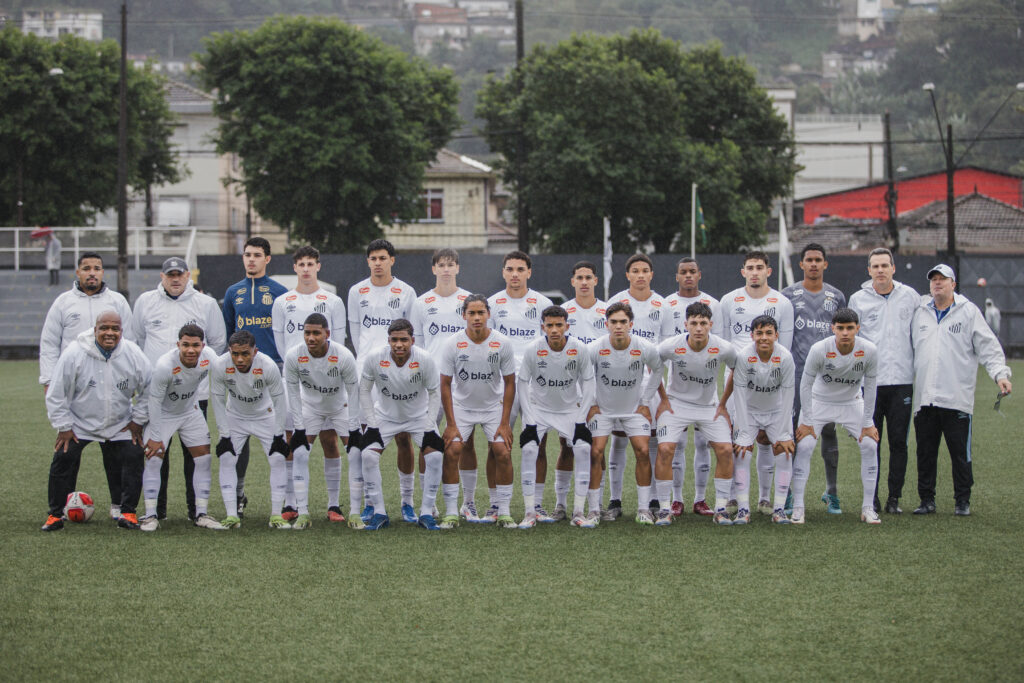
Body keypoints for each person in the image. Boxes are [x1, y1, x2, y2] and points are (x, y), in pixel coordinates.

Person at [910, 264, 1012, 517]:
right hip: (925, 399)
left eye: (942, 280)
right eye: (933, 279)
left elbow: (988, 346)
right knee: (925, 453)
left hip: (956, 397)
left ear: (953, 284)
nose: (937, 283)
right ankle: (927, 500)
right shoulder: (920, 312)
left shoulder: (968, 313)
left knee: (959, 454)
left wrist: (1001, 374)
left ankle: (962, 501)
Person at [39, 251, 134, 520]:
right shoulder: (63, 303)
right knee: (68, 449)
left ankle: (118, 506)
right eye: (86, 268)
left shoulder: (117, 301)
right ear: (77, 273)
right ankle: (65, 505)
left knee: (114, 451)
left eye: (97, 268)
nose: (92, 272)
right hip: (74, 389)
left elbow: (131, 342)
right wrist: (48, 380)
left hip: (111, 386)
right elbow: (49, 344)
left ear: (104, 273)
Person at [132, 256, 226, 521]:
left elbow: (217, 343)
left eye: (179, 274)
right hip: (156, 394)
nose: (175, 279)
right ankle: (156, 513)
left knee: (195, 454)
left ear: (188, 276)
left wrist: (193, 371)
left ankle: (196, 511)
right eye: (169, 275)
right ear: (162, 277)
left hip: (194, 395)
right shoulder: (145, 301)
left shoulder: (205, 303)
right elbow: (136, 340)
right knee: (156, 451)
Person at [41, 311, 150, 531]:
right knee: (63, 457)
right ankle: (55, 515)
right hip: (79, 423)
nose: (110, 333)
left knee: (134, 454)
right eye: (104, 328)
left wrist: (138, 420)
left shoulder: (133, 353)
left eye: (115, 329)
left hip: (120, 422)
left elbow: (150, 388)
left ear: (121, 331)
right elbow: (56, 392)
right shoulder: (74, 353)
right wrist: (63, 426)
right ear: (95, 330)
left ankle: (127, 512)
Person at [347, 239, 418, 521]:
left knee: (403, 436)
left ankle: (407, 501)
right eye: (373, 258)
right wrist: (367, 357)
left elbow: (412, 333)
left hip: (399, 370)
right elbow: (355, 332)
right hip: (367, 369)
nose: (378, 262)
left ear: (392, 260)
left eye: (383, 258)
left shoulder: (406, 291)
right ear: (368, 261)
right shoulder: (356, 291)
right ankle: (370, 501)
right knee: (368, 435)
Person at [720, 251, 794, 514]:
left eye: (759, 267)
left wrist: (768, 369)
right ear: (743, 272)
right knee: (736, 439)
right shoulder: (729, 300)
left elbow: (785, 343)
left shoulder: (782, 302)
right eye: (750, 267)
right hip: (738, 377)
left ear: (768, 271)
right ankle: (733, 497)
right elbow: (726, 343)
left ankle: (764, 498)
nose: (754, 272)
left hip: (770, 376)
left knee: (766, 440)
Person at [481, 251, 553, 521]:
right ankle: (495, 504)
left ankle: (536, 504)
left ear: (529, 272)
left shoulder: (542, 303)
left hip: (535, 383)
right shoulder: (492, 303)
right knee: (496, 444)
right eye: (510, 269)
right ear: (503, 272)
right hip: (503, 383)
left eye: (520, 269)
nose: (515, 274)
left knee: (539, 443)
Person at [792, 308, 880, 525]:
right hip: (819, 401)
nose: (845, 333)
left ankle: (868, 508)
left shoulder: (869, 350)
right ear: (833, 329)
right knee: (804, 446)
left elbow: (870, 387)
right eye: (840, 328)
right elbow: (805, 384)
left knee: (870, 444)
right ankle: (798, 508)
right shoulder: (819, 349)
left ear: (857, 329)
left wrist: (868, 423)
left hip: (852, 403)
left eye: (850, 328)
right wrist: (808, 420)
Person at [653, 302, 738, 526]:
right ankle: (664, 509)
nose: (698, 328)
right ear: (686, 325)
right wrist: (662, 398)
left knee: (726, 450)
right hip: (675, 404)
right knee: (665, 449)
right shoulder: (671, 345)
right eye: (694, 323)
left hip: (708, 406)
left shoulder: (724, 347)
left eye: (703, 323)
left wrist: (723, 404)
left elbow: (736, 369)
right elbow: (654, 364)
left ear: (711, 324)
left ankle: (721, 508)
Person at [848, 247, 919, 514]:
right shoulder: (858, 299)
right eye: (875, 266)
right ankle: (872, 497)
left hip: (901, 381)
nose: (880, 270)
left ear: (893, 268)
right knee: (870, 442)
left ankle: (894, 499)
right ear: (869, 270)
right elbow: (853, 341)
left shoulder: (909, 296)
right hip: (870, 384)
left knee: (899, 441)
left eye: (884, 265)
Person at [222, 237, 288, 518]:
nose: (251, 259)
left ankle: (287, 500)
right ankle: (237, 493)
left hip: (273, 368)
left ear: (267, 259)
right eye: (247, 255)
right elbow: (228, 331)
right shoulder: (232, 292)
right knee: (240, 434)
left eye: (257, 255)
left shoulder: (280, 293)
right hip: (239, 371)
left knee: (281, 433)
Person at [604, 254, 673, 519]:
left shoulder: (662, 305)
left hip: (652, 379)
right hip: (623, 379)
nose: (641, 275)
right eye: (635, 270)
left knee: (652, 440)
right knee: (619, 440)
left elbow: (665, 347)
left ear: (651, 274)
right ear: (628, 275)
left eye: (645, 270)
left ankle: (654, 500)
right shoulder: (616, 302)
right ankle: (614, 500)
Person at [358, 319, 445, 530]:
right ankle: (379, 512)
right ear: (388, 340)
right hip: (385, 418)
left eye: (404, 340)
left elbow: (435, 394)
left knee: (434, 456)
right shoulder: (375, 358)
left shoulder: (424, 359)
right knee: (368, 455)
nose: (399, 344)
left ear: (412, 340)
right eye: (394, 340)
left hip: (418, 418)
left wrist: (429, 425)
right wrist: (372, 423)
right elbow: (363, 390)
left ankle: (425, 512)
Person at [439, 295, 517, 528]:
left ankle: (503, 511)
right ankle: (457, 509)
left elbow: (510, 382)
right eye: (471, 313)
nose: (476, 318)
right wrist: (451, 423)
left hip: (493, 407)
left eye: (480, 313)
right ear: (463, 315)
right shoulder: (452, 343)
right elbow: (444, 384)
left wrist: (505, 422)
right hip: (463, 407)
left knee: (502, 452)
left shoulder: (502, 342)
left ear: (488, 314)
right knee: (453, 450)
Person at [517, 306, 597, 528]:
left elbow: (589, 382)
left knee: (582, 448)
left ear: (567, 326)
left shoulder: (579, 348)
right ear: (542, 327)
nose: (554, 330)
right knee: (530, 449)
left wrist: (581, 418)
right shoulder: (533, 349)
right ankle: (530, 512)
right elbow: (522, 383)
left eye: (558, 325)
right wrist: (530, 420)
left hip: (570, 409)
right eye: (549, 325)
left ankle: (579, 512)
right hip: (539, 409)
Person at [140, 324, 224, 531]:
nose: (190, 350)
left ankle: (201, 513)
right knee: (153, 456)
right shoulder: (164, 365)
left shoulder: (209, 356)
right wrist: (156, 436)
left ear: (203, 345)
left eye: (195, 345)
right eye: (185, 345)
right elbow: (154, 401)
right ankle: (151, 515)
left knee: (204, 458)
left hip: (190, 411)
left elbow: (225, 373)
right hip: (163, 413)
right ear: (178, 344)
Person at [783, 244, 847, 515]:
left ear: (825, 264)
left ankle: (831, 491)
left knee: (829, 430)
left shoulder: (836, 296)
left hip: (827, 375)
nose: (813, 264)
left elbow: (844, 333)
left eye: (817, 260)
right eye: (808, 260)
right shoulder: (787, 295)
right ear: (801, 265)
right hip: (798, 374)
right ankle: (788, 493)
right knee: (796, 431)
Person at [586, 303, 663, 525]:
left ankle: (643, 509)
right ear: (606, 324)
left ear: (631, 324)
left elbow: (657, 369)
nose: (618, 326)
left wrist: (646, 401)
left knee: (642, 450)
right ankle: (593, 510)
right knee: (596, 451)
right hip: (604, 409)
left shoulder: (643, 346)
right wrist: (591, 402)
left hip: (633, 410)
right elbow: (583, 372)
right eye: (613, 322)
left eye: (623, 322)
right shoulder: (596, 347)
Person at [283, 313, 361, 529]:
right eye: (307, 333)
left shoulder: (343, 355)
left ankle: (347, 510)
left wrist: (354, 427)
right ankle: (303, 512)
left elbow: (354, 392)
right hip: (310, 408)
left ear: (327, 334)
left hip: (340, 407)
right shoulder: (293, 356)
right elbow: (293, 393)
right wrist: (299, 428)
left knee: (355, 452)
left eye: (316, 333)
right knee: (298, 452)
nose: (311, 337)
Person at [209, 330, 290, 529]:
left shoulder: (268, 365)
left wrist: (279, 434)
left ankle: (276, 516)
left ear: (255, 351)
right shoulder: (220, 365)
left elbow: (280, 401)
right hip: (235, 417)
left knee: (278, 458)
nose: (239, 359)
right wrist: (224, 435)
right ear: (229, 351)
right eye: (235, 354)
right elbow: (217, 401)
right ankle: (231, 516)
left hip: (265, 415)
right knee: (227, 458)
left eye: (245, 353)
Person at [664, 256, 722, 517]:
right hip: (677, 384)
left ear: (700, 274)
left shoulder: (714, 304)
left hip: (707, 386)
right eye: (683, 272)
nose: (688, 276)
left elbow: (720, 342)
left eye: (692, 272)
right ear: (676, 276)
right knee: (677, 443)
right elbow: (665, 344)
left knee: (703, 442)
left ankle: (700, 499)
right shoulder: (667, 304)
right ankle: (677, 499)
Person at [724, 315, 796, 524]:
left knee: (784, 453)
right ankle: (743, 509)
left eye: (768, 333)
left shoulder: (785, 357)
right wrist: (744, 434)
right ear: (752, 335)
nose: (764, 338)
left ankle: (780, 509)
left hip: (776, 412)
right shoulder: (745, 356)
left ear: (776, 335)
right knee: (742, 454)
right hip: (750, 412)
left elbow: (789, 394)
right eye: (759, 333)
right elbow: (738, 395)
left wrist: (783, 433)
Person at [549, 261, 606, 520]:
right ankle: (561, 503)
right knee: (567, 445)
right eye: (579, 277)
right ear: (572, 282)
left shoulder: (606, 311)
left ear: (596, 280)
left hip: (598, 385)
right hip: (569, 387)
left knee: (596, 446)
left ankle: (597, 502)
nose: (584, 282)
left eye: (588, 277)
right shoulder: (563, 312)